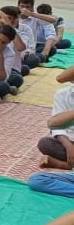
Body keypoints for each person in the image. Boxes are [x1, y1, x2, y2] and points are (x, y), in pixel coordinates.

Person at [27, 68, 74, 197]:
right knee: (36, 180)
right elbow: (54, 124)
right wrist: (69, 146)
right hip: (70, 142)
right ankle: (67, 164)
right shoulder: (63, 94)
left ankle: (64, 164)